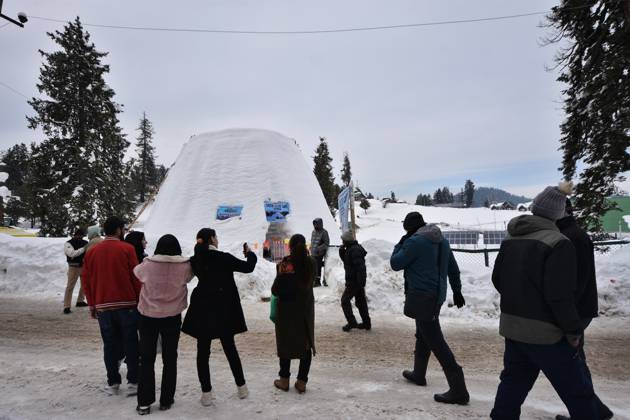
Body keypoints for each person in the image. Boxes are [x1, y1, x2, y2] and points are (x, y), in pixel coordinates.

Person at [490, 183, 598, 419]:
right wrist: (572, 330)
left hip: (513, 328)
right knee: (578, 393)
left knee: (512, 385)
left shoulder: (511, 238)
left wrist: (520, 298)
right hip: (548, 334)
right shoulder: (558, 242)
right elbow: (559, 296)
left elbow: (498, 279)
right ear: (560, 213)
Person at [390, 212, 469, 405]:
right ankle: (419, 373)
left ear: (409, 228)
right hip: (436, 296)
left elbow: (395, 263)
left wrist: (400, 243)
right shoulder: (442, 240)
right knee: (423, 333)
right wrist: (457, 291)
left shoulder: (414, 242)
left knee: (435, 340)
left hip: (421, 296)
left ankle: (459, 389)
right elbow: (453, 268)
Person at [181, 228, 257, 406]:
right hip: (224, 309)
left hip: (203, 309)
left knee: (202, 352)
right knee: (230, 348)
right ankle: (242, 387)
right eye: (216, 237)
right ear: (212, 240)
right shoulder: (224, 258)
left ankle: (206, 393)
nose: (218, 240)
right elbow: (248, 267)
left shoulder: (196, 259)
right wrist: (251, 254)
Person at [554, 198, 613, 420]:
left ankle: (592, 411)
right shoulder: (572, 233)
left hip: (577, 310)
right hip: (579, 309)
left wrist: (566, 316)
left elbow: (575, 281)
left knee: (572, 363)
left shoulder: (570, 237)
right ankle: (596, 409)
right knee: (575, 361)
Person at [82, 216, 142, 397]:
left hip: (103, 306)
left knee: (109, 345)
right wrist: (140, 300)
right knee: (131, 343)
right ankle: (133, 382)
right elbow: (136, 277)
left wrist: (92, 304)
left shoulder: (92, 251)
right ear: (118, 230)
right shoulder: (127, 249)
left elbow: (87, 280)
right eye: (122, 229)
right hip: (127, 304)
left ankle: (113, 383)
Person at [134, 234, 194, 415]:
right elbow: (190, 278)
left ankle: (144, 403)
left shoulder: (148, 264)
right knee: (170, 358)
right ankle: (166, 400)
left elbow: (136, 273)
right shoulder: (185, 266)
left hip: (148, 316)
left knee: (146, 359)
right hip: (172, 316)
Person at [271, 234, 316, 394]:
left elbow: (275, 290)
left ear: (290, 247)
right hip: (304, 311)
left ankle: (284, 380)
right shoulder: (311, 263)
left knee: (285, 345)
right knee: (305, 346)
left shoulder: (285, 264)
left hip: (286, 312)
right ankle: (302, 382)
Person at [338, 230, 371, 332]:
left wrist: (360, 282)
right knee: (361, 302)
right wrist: (342, 253)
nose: (342, 241)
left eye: (343, 240)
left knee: (345, 300)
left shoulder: (354, 250)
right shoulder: (351, 249)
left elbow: (360, 267)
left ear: (347, 240)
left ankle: (352, 322)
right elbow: (349, 263)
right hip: (356, 280)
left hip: (354, 281)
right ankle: (366, 323)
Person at [63, 228, 88, 314]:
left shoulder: (85, 243)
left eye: (81, 236)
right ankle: (66, 306)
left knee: (85, 284)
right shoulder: (68, 243)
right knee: (70, 286)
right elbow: (71, 254)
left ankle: (80, 300)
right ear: (75, 235)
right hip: (73, 267)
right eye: (79, 235)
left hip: (83, 266)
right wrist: (83, 249)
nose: (80, 237)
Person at [310, 218, 329, 287]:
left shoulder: (324, 232)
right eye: (314, 224)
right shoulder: (313, 232)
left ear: (320, 224)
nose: (315, 225)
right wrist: (311, 248)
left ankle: (317, 282)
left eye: (316, 223)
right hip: (313, 253)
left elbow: (326, 243)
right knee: (313, 268)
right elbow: (313, 241)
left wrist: (318, 249)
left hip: (319, 253)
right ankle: (314, 281)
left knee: (318, 267)